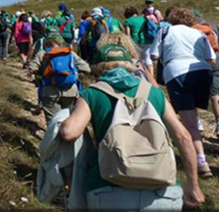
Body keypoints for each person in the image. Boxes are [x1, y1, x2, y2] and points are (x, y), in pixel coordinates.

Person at [59, 40, 205, 210]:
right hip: (161, 191)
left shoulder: (93, 93)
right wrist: (193, 185)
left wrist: (62, 118)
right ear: (130, 65)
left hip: (108, 189)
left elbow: (70, 132)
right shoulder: (154, 93)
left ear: (98, 67)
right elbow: (183, 137)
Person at [150, 8, 216, 178]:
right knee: (193, 116)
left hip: (177, 72)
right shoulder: (198, 33)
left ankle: (200, 161)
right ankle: (199, 153)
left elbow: (154, 55)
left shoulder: (164, 31)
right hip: (202, 72)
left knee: (188, 122)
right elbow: (211, 58)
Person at [28, 32, 91, 123]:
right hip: (70, 91)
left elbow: (32, 68)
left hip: (50, 92)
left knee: (53, 121)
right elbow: (87, 68)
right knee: (68, 120)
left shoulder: (43, 53)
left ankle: (54, 136)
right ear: (61, 42)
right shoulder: (70, 53)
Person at [191, 9, 219, 141]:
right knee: (215, 94)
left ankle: (197, 122)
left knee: (194, 92)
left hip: (196, 62)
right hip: (215, 60)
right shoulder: (211, 27)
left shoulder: (188, 30)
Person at [124, 5, 155, 77]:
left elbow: (127, 35)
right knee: (148, 59)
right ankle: (151, 77)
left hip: (136, 41)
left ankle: (140, 76)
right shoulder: (143, 18)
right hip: (147, 40)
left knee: (137, 59)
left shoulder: (128, 21)